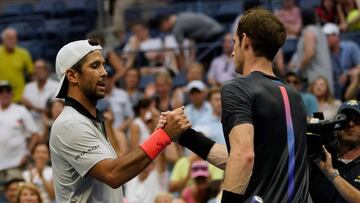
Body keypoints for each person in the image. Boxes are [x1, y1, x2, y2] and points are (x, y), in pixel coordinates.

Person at [171, 8, 311, 202]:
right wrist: (185, 137)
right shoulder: (295, 96)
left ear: (245, 41)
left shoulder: (237, 88)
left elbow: (243, 157)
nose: (232, 53)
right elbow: (244, 160)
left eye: (235, 43)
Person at [49, 39, 190, 202]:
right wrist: (163, 136)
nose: (104, 72)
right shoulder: (69, 124)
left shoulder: (88, 121)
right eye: (95, 66)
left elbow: (123, 168)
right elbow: (114, 174)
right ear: (72, 75)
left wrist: (159, 134)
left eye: (103, 65)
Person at [310, 100, 360, 203]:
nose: (350, 124)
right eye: (344, 120)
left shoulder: (326, 166)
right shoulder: (319, 158)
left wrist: (331, 174)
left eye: (357, 121)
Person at [0, 80, 40, 182]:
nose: (4, 94)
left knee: (16, 194)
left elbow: (35, 134)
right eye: (1, 92)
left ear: (12, 94)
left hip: (16, 162)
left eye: (7, 91)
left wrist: (27, 153)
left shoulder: (21, 110)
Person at [290, 8, 334, 93]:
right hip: (323, 73)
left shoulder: (309, 31)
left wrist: (299, 69)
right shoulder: (319, 30)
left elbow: (310, 53)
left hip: (315, 75)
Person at [322, 23, 360, 99]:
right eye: (325, 36)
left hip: (351, 81)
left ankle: (352, 104)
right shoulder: (323, 53)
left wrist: (347, 74)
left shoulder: (350, 47)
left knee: (355, 74)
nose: (326, 39)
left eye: (328, 36)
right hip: (335, 83)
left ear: (336, 36)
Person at [22, 59, 59, 131]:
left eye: (41, 68)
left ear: (47, 71)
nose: (38, 71)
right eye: (36, 68)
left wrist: (32, 107)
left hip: (50, 126)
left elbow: (56, 111)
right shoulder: (28, 87)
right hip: (30, 126)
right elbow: (24, 109)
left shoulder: (56, 86)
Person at [0, 28, 33, 102]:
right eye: (9, 38)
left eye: (14, 38)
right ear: (3, 40)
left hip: (20, 96)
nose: (12, 41)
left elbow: (31, 74)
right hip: (1, 96)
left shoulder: (24, 54)